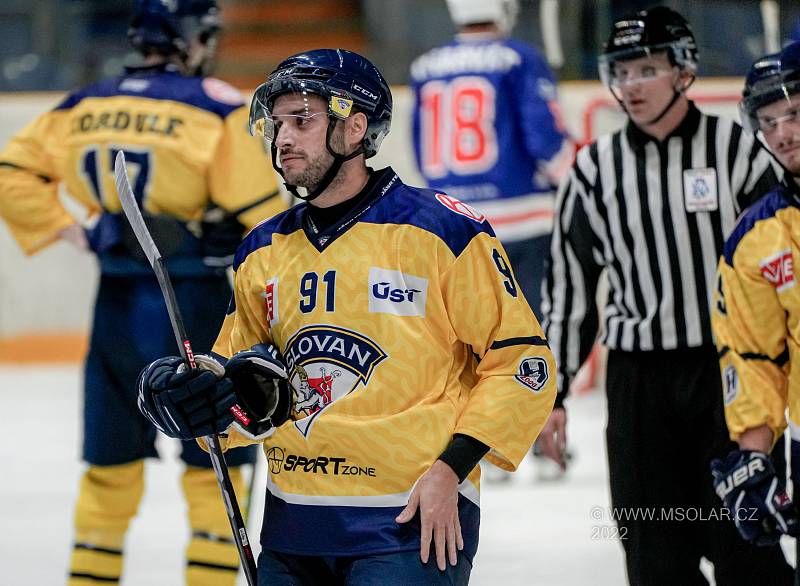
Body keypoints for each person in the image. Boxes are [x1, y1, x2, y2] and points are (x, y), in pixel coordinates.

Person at [135, 48, 557, 585]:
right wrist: (194, 398)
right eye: (277, 122)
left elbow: (522, 362)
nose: (282, 138)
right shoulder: (261, 250)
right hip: (293, 526)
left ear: (355, 127)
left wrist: (452, 469)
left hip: (409, 517)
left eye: (302, 120)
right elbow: (237, 382)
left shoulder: (442, 231)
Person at [0, 1, 285, 584]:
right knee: (216, 463)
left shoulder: (86, 102)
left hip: (116, 309)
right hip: (196, 308)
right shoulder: (216, 106)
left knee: (109, 465)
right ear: (192, 39)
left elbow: (11, 170)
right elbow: (265, 220)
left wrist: (84, 232)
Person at [539, 5, 793, 584]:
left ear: (684, 71)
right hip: (639, 389)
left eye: (645, 69)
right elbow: (570, 290)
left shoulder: (738, 153)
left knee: (747, 547)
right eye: (620, 72)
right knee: (653, 557)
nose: (629, 86)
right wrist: (550, 391)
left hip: (729, 377)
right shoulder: (593, 172)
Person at [409, 0, 573, 483]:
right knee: (530, 330)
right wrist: (572, 182)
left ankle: (476, 443)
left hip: (456, 224)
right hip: (522, 217)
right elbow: (545, 137)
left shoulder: (424, 66)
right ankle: (541, 441)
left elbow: (422, 148)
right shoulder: (518, 57)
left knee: (466, 335)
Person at [710, 41, 800, 568]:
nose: (783, 133)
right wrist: (754, 459)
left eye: (794, 114)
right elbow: (753, 358)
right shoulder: (756, 238)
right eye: (769, 122)